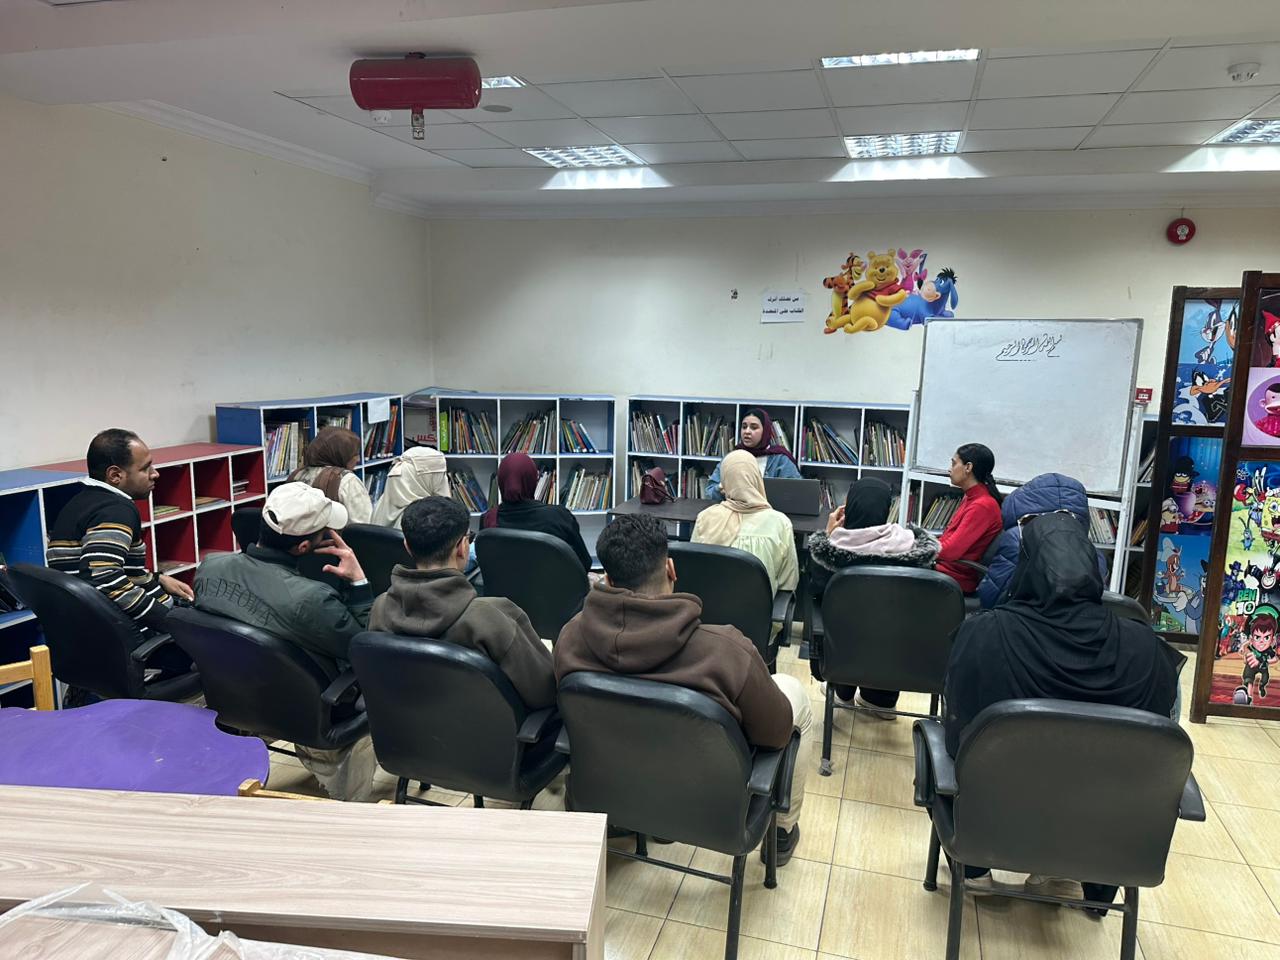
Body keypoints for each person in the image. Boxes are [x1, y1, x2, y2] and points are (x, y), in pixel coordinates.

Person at [943, 510, 1184, 904]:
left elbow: (957, 737)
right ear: (1093, 569)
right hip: (1101, 830)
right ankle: (1077, 875)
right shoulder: (1147, 648)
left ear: (1025, 569)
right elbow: (1159, 747)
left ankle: (976, 872)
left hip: (996, 818)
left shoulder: (984, 632)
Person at [555, 514, 815, 866]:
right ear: (671, 570)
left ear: (608, 580)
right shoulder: (728, 651)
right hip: (705, 806)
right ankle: (782, 832)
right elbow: (776, 733)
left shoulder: (570, 637)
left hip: (611, 792)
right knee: (794, 695)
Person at [193, 482, 376, 801]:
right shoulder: (310, 599)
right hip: (311, 709)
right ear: (304, 547)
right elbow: (363, 648)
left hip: (237, 697)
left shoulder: (210, 568)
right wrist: (358, 582)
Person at [369, 496, 555, 710]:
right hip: (485, 729)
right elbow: (545, 692)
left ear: (407, 547)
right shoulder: (494, 616)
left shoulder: (380, 608)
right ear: (463, 547)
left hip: (406, 727)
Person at [805, 478, 940, 715]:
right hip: (901, 656)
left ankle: (842, 692)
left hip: (844, 655)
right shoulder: (910, 546)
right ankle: (880, 701)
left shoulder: (834, 550)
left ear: (849, 508)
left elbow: (816, 589)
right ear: (886, 509)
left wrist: (828, 534)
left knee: (844, 622)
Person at [47, 429, 194, 633]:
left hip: (86, 625)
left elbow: (106, 566)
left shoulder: (82, 502)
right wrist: (169, 623)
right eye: (145, 468)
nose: (155, 474)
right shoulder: (116, 511)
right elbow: (103, 576)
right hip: (128, 630)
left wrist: (157, 579)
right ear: (115, 475)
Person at [976, 473, 1107, 609]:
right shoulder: (1094, 552)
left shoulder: (1018, 538)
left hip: (1020, 617)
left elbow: (992, 596)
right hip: (1077, 620)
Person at [692, 449, 799, 595]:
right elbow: (788, 583)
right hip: (759, 608)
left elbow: (694, 569)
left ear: (724, 481)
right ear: (757, 478)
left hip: (709, 606)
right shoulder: (780, 523)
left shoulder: (705, 518)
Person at [482, 452, 591, 572]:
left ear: (501, 481)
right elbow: (584, 563)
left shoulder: (488, 519)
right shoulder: (560, 517)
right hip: (555, 584)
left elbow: (487, 565)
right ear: (533, 480)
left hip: (503, 584)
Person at [934, 443, 1003, 593]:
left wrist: (916, 548)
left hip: (954, 578)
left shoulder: (982, 505)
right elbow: (948, 538)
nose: (949, 469)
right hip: (943, 569)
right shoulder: (971, 497)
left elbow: (951, 551)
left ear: (968, 467)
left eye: (954, 463)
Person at [705, 408, 801, 501]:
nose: (747, 431)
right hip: (736, 510)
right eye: (744, 427)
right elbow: (709, 493)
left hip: (768, 510)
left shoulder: (780, 459)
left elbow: (796, 493)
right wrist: (720, 489)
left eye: (754, 427)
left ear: (765, 431)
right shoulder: (731, 458)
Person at [289, 426, 373, 524]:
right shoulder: (347, 481)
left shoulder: (296, 475)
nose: (358, 459)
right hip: (337, 534)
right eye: (355, 454)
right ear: (341, 454)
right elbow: (364, 524)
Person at [370, 446, 450, 529]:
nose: (443, 479)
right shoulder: (427, 521)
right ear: (427, 479)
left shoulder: (381, 505)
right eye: (441, 475)